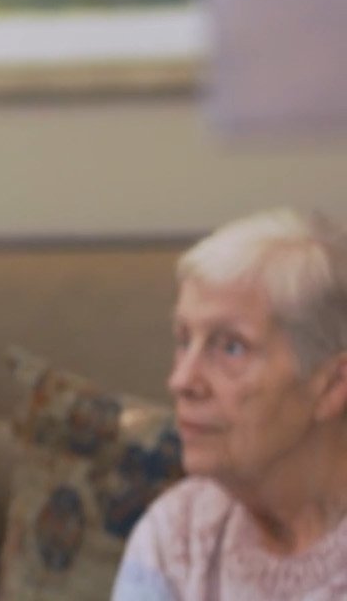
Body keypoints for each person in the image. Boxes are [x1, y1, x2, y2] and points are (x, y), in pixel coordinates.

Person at [112, 208, 347, 600]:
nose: (182, 380)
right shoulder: (178, 533)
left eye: (231, 347)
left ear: (331, 385)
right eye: (184, 340)